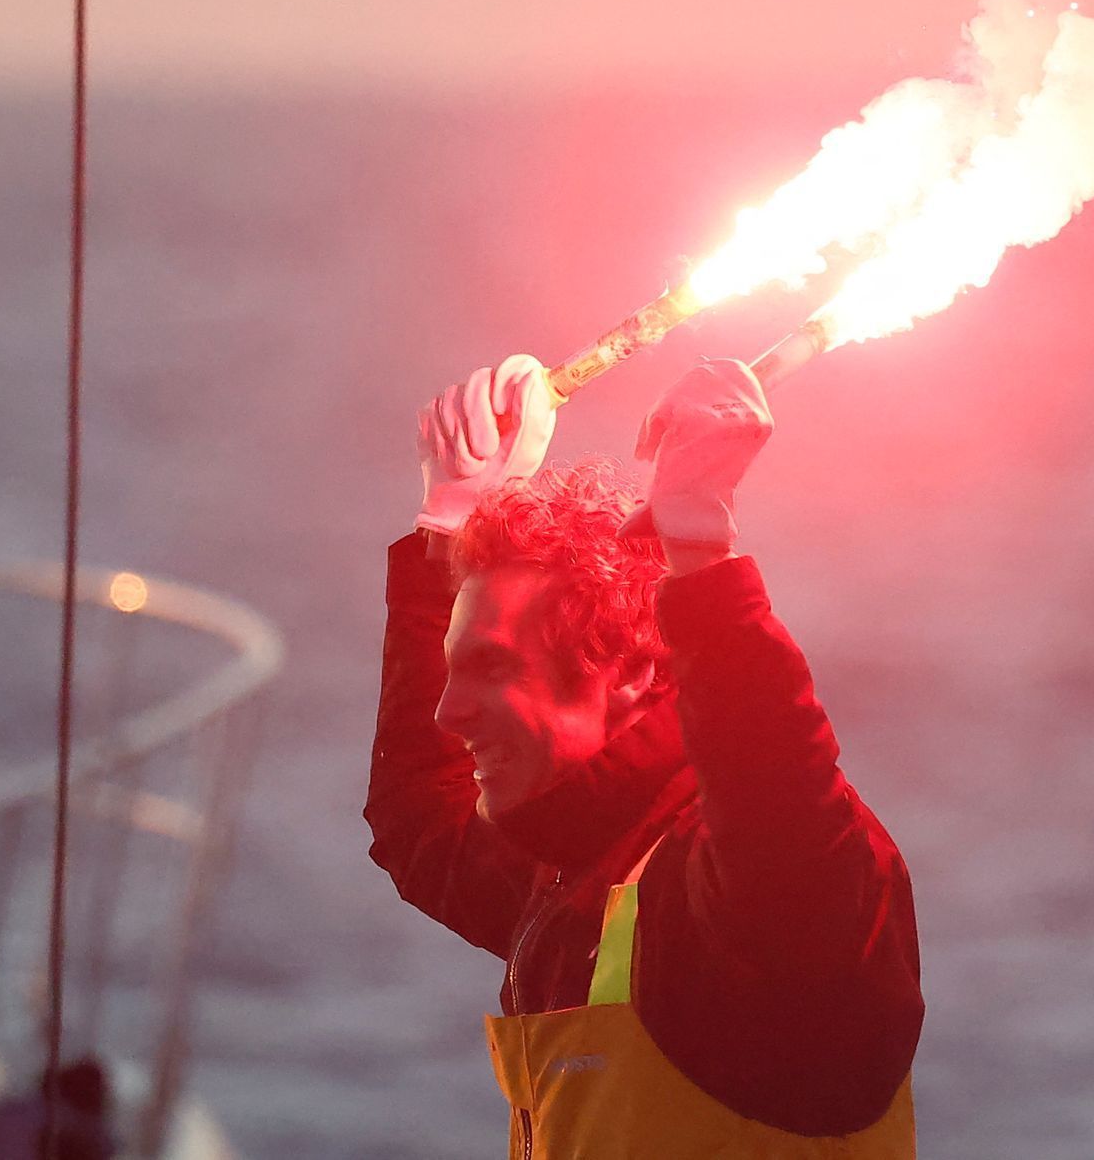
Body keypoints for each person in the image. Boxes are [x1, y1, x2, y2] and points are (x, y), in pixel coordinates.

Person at [365, 354, 923, 1158]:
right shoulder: (568, 879)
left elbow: (775, 791)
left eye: (492, 668)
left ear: (629, 673)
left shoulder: (755, 902)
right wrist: (445, 526)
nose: (449, 715)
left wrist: (702, 552)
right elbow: (420, 818)